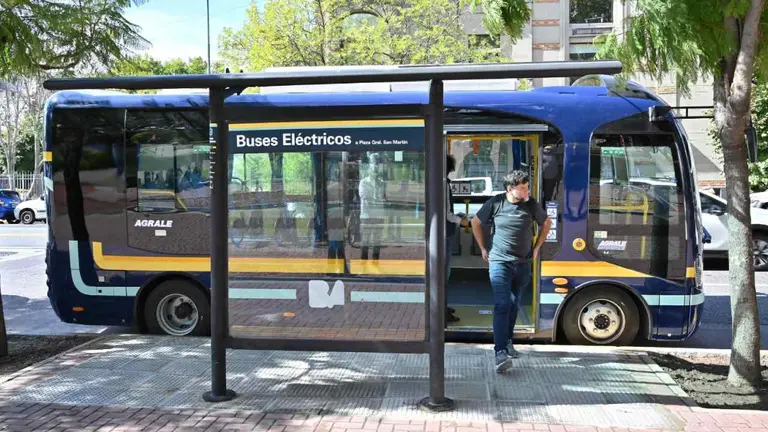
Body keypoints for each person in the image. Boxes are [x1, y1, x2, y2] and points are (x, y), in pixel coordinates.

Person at [471, 170, 551, 372]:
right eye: (522, 187)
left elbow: (546, 223)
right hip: (499, 262)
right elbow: (475, 222)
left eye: (527, 186)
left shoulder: (531, 204)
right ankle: (500, 353)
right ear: (510, 189)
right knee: (502, 304)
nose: (526, 190)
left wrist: (537, 247)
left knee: (515, 303)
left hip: (523, 263)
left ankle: (507, 342)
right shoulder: (496, 203)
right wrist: (482, 248)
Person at [445, 155, 469, 323]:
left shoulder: (441, 182)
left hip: (444, 233)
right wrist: (461, 221)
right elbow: (446, 213)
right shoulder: (443, 183)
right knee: (444, 273)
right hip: (444, 234)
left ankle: (443, 305)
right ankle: (442, 310)